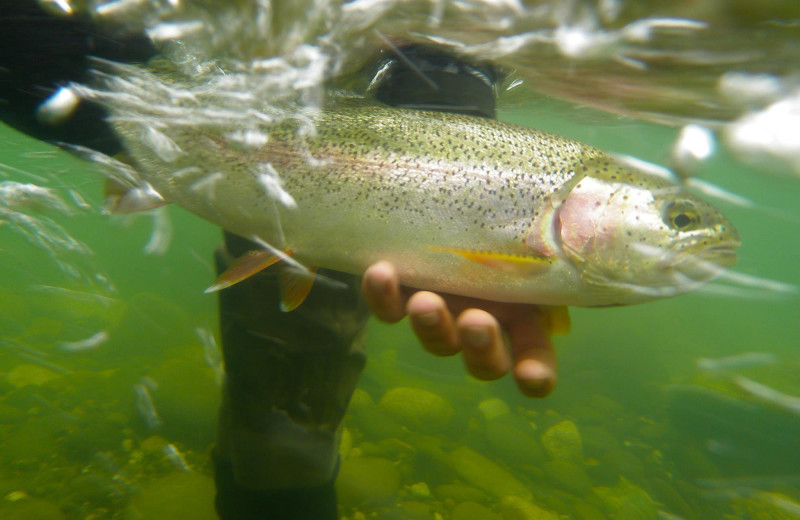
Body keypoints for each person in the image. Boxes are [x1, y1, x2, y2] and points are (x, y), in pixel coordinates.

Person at [0, 3, 561, 519]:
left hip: (335, 102)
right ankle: (274, 486)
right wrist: (111, 89)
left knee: (308, 332)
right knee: (295, 320)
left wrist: (444, 80)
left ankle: (281, 491)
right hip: (238, 69)